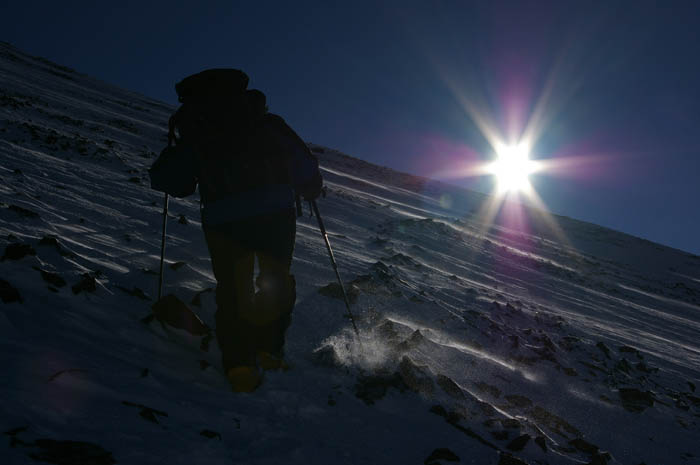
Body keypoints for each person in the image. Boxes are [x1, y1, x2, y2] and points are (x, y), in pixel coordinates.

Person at [163, 69, 322, 392]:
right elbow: (303, 166)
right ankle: (268, 349)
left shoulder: (195, 124)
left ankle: (239, 364)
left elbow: (177, 183)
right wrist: (310, 187)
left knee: (233, 288)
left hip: (223, 217)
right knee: (276, 278)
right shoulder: (265, 122)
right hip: (275, 212)